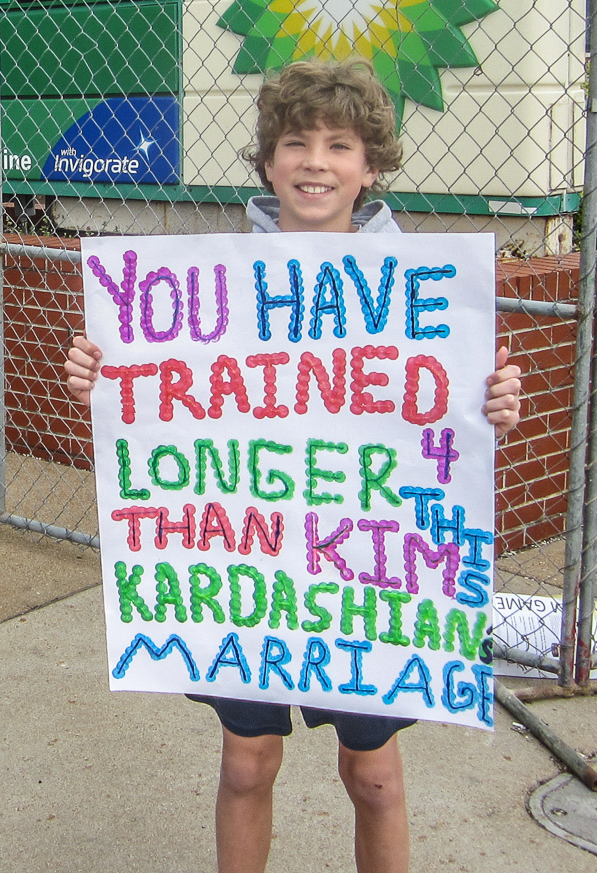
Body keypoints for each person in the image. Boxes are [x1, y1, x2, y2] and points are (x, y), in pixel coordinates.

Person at [64, 59, 523, 873]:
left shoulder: (426, 291)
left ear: (370, 166)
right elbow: (162, 399)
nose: (316, 162)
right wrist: (103, 381)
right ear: (269, 162)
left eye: (339, 145)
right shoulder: (210, 284)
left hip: (369, 569)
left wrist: (491, 408)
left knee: (374, 777)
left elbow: (448, 425)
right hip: (254, 563)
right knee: (247, 762)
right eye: (296, 143)